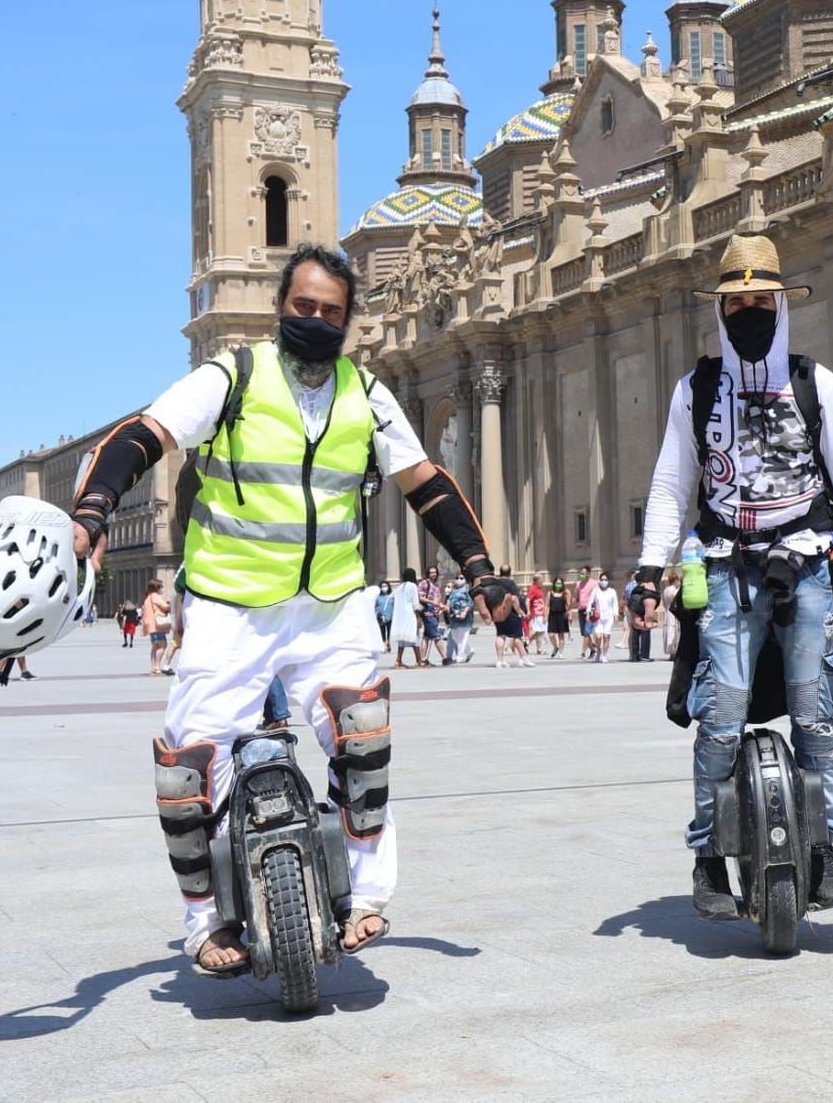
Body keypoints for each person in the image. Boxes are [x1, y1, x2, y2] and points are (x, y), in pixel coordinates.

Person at [64, 243, 510, 975]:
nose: (315, 319)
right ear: (281, 308)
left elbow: (425, 482)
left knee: (365, 738)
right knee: (188, 763)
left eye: (330, 311)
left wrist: (481, 568)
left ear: (347, 320)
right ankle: (203, 924)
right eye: (303, 306)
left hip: (330, 604)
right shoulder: (233, 376)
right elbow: (148, 435)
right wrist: (94, 508)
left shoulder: (365, 392)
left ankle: (365, 896)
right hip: (229, 603)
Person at [637, 233, 833, 919]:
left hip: (805, 563)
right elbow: (670, 482)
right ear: (721, 310)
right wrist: (645, 568)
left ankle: (825, 847)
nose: (749, 310)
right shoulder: (697, 390)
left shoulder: (816, 383)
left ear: (781, 304)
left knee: (815, 716)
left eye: (761, 299)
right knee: (719, 715)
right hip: (724, 567)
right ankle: (708, 856)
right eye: (737, 301)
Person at [392, 568, 424, 668]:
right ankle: (419, 661)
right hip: (410, 615)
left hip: (400, 616)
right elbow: (415, 603)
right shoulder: (413, 586)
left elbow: (391, 598)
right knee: (415, 637)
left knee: (402, 640)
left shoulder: (399, 587)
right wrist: (418, 617)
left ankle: (398, 661)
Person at [142, 579, 173, 676]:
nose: (162, 588)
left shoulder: (147, 597)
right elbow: (165, 607)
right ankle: (157, 666)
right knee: (162, 646)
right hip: (157, 625)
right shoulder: (155, 596)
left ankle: (153, 667)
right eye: (161, 586)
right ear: (157, 588)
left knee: (154, 647)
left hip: (151, 626)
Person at [627, 573, 660, 662]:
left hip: (634, 611)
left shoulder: (632, 587)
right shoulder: (646, 588)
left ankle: (634, 655)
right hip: (642, 611)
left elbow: (628, 599)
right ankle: (644, 655)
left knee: (634, 633)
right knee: (645, 632)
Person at [419, 566, 446, 666]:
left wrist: (440, 608)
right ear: (428, 574)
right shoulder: (424, 583)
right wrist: (432, 602)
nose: (433, 574)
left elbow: (437, 599)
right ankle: (445, 658)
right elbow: (420, 597)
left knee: (426, 637)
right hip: (428, 613)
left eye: (435, 572)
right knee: (436, 636)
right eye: (431, 573)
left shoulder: (435, 585)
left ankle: (423, 659)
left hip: (434, 613)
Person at [445, 574, 474, 664]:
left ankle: (460, 656)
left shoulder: (468, 590)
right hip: (454, 617)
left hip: (465, 617)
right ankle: (469, 651)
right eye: (457, 578)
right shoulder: (453, 590)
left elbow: (471, 603)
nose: (459, 580)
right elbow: (449, 601)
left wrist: (465, 612)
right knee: (455, 636)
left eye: (461, 578)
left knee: (463, 636)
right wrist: (446, 607)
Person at [589, 572, 618, 662]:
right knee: (598, 636)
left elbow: (615, 604)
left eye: (605, 580)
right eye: (602, 580)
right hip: (598, 617)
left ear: (608, 581)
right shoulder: (596, 591)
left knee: (606, 636)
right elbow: (590, 602)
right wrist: (588, 612)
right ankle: (598, 650)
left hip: (609, 617)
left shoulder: (612, 591)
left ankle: (604, 655)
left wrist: (616, 615)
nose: (603, 581)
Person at [576, 567, 599, 659]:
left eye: (583, 573)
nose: (581, 575)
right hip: (581, 609)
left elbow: (597, 597)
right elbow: (577, 597)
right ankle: (593, 649)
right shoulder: (578, 584)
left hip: (590, 610)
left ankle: (583, 652)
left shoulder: (594, 583)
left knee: (586, 632)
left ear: (588, 573)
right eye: (580, 573)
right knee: (584, 632)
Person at [546, 576, 570, 657]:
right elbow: (547, 605)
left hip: (562, 615)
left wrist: (568, 614)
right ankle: (555, 647)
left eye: (560, 583)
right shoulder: (550, 593)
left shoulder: (565, 593)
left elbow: (568, 605)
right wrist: (545, 616)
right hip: (552, 615)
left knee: (561, 635)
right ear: (554, 584)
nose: (558, 585)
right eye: (557, 583)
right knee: (551, 634)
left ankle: (561, 652)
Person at [373, 582, 394, 647]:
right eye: (382, 586)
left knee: (389, 630)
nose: (384, 588)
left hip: (390, 616)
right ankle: (384, 643)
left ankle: (388, 642)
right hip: (381, 617)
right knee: (382, 631)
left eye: (385, 586)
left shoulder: (391, 597)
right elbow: (375, 606)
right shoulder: (378, 597)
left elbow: (394, 606)